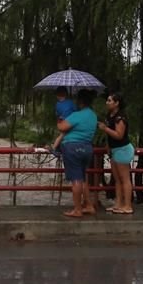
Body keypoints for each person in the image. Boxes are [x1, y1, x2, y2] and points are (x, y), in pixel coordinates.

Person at [53, 88, 98, 217]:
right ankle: (88, 205)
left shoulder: (76, 115)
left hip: (73, 148)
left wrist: (59, 117)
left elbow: (61, 127)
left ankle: (77, 209)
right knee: (83, 178)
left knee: (76, 180)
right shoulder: (93, 115)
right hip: (87, 148)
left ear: (80, 101)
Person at [98, 92, 135, 214]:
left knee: (125, 179)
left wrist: (105, 128)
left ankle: (128, 205)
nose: (107, 103)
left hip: (122, 149)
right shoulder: (110, 115)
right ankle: (118, 204)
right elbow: (110, 136)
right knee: (117, 179)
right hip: (114, 149)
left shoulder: (120, 118)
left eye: (109, 100)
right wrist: (108, 147)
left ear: (117, 103)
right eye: (107, 100)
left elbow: (119, 135)